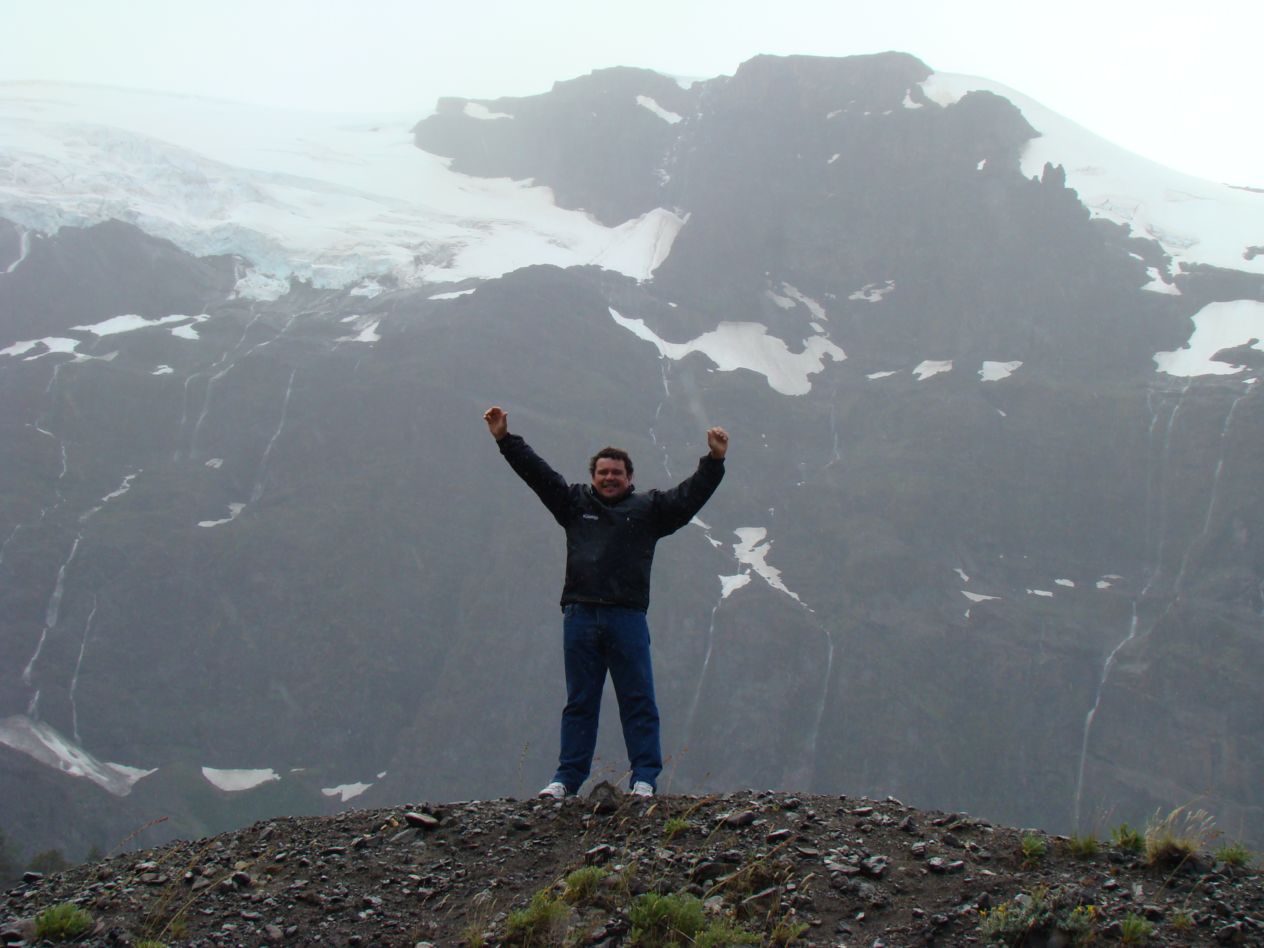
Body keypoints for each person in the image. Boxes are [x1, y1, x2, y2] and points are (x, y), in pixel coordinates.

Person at [483, 406, 729, 798]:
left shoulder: (650, 510)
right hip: (579, 614)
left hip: (626, 616)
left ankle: (644, 779)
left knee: (638, 699)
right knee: (580, 701)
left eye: (616, 472)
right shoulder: (573, 503)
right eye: (603, 472)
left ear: (630, 478)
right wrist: (504, 438)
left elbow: (688, 497)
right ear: (593, 477)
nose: (609, 478)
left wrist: (714, 461)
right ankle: (566, 780)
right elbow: (538, 474)